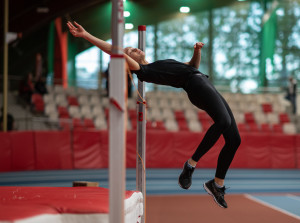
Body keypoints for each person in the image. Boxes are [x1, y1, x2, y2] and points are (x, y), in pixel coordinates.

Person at [67, 21, 241, 208]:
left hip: (202, 81)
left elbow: (192, 66)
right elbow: (114, 50)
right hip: (196, 87)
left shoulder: (158, 64)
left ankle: (217, 184)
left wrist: (197, 51)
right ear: (129, 59)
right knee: (223, 121)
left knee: (234, 139)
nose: (136, 49)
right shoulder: (144, 72)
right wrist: (86, 35)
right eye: (132, 50)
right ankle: (190, 165)